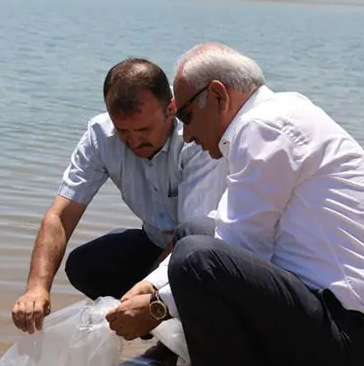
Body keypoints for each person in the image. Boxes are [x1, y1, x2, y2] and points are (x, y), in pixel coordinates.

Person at [105, 43, 364, 366]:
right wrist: (153, 282)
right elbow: (227, 231)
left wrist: (155, 307)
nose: (186, 134)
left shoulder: (264, 128)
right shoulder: (275, 118)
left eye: (186, 116)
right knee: (195, 234)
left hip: (352, 341)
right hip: (349, 328)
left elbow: (235, 248)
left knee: (195, 256)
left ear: (219, 95)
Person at [11, 58, 227, 334]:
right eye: (123, 131)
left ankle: (180, 337)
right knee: (84, 266)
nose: (134, 142)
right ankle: (165, 335)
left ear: (171, 108)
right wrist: (36, 288)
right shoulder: (101, 136)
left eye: (144, 130)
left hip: (203, 252)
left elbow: (192, 240)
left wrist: (148, 297)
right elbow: (60, 217)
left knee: (185, 269)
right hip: (156, 240)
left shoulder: (195, 139)